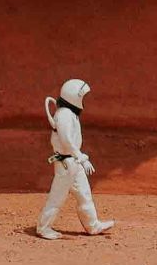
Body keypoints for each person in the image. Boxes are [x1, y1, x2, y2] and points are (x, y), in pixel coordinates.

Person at [37, 77, 115, 239]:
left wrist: (79, 158)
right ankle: (44, 228)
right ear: (75, 96)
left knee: (84, 194)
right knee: (57, 197)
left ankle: (92, 225)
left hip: (73, 162)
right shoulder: (64, 114)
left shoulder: (70, 114)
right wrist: (80, 156)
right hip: (66, 163)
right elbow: (66, 140)